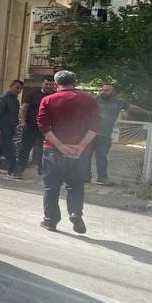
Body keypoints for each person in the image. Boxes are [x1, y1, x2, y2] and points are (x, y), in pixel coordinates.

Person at [37, 70, 100, 235]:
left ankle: (50, 221)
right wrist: (80, 146)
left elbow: (43, 125)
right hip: (79, 152)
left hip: (53, 150)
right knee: (76, 185)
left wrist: (60, 146)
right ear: (75, 82)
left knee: (51, 187)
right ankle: (75, 214)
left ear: (57, 84)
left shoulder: (48, 100)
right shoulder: (88, 100)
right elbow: (95, 126)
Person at [88, 83, 130, 185]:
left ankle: (102, 178)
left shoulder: (119, 102)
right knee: (86, 156)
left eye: (106, 90)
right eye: (101, 90)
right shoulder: (93, 100)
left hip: (104, 136)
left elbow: (133, 108)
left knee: (102, 157)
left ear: (113, 92)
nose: (103, 92)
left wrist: (150, 113)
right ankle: (85, 176)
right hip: (89, 134)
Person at [0, 80, 24, 177]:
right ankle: (13, 170)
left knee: (0, 148)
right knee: (10, 149)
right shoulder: (4, 99)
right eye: (17, 87)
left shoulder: (15, 100)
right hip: (3, 128)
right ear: (10, 86)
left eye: (20, 89)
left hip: (10, 128)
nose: (18, 90)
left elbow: (13, 116)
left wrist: (14, 128)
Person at [16, 79, 54, 177]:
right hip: (31, 125)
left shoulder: (54, 96)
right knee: (25, 147)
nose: (48, 87)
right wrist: (23, 121)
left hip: (46, 128)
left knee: (44, 149)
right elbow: (24, 107)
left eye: (50, 85)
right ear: (42, 84)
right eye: (46, 84)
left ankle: (42, 169)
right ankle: (20, 168)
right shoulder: (34, 94)